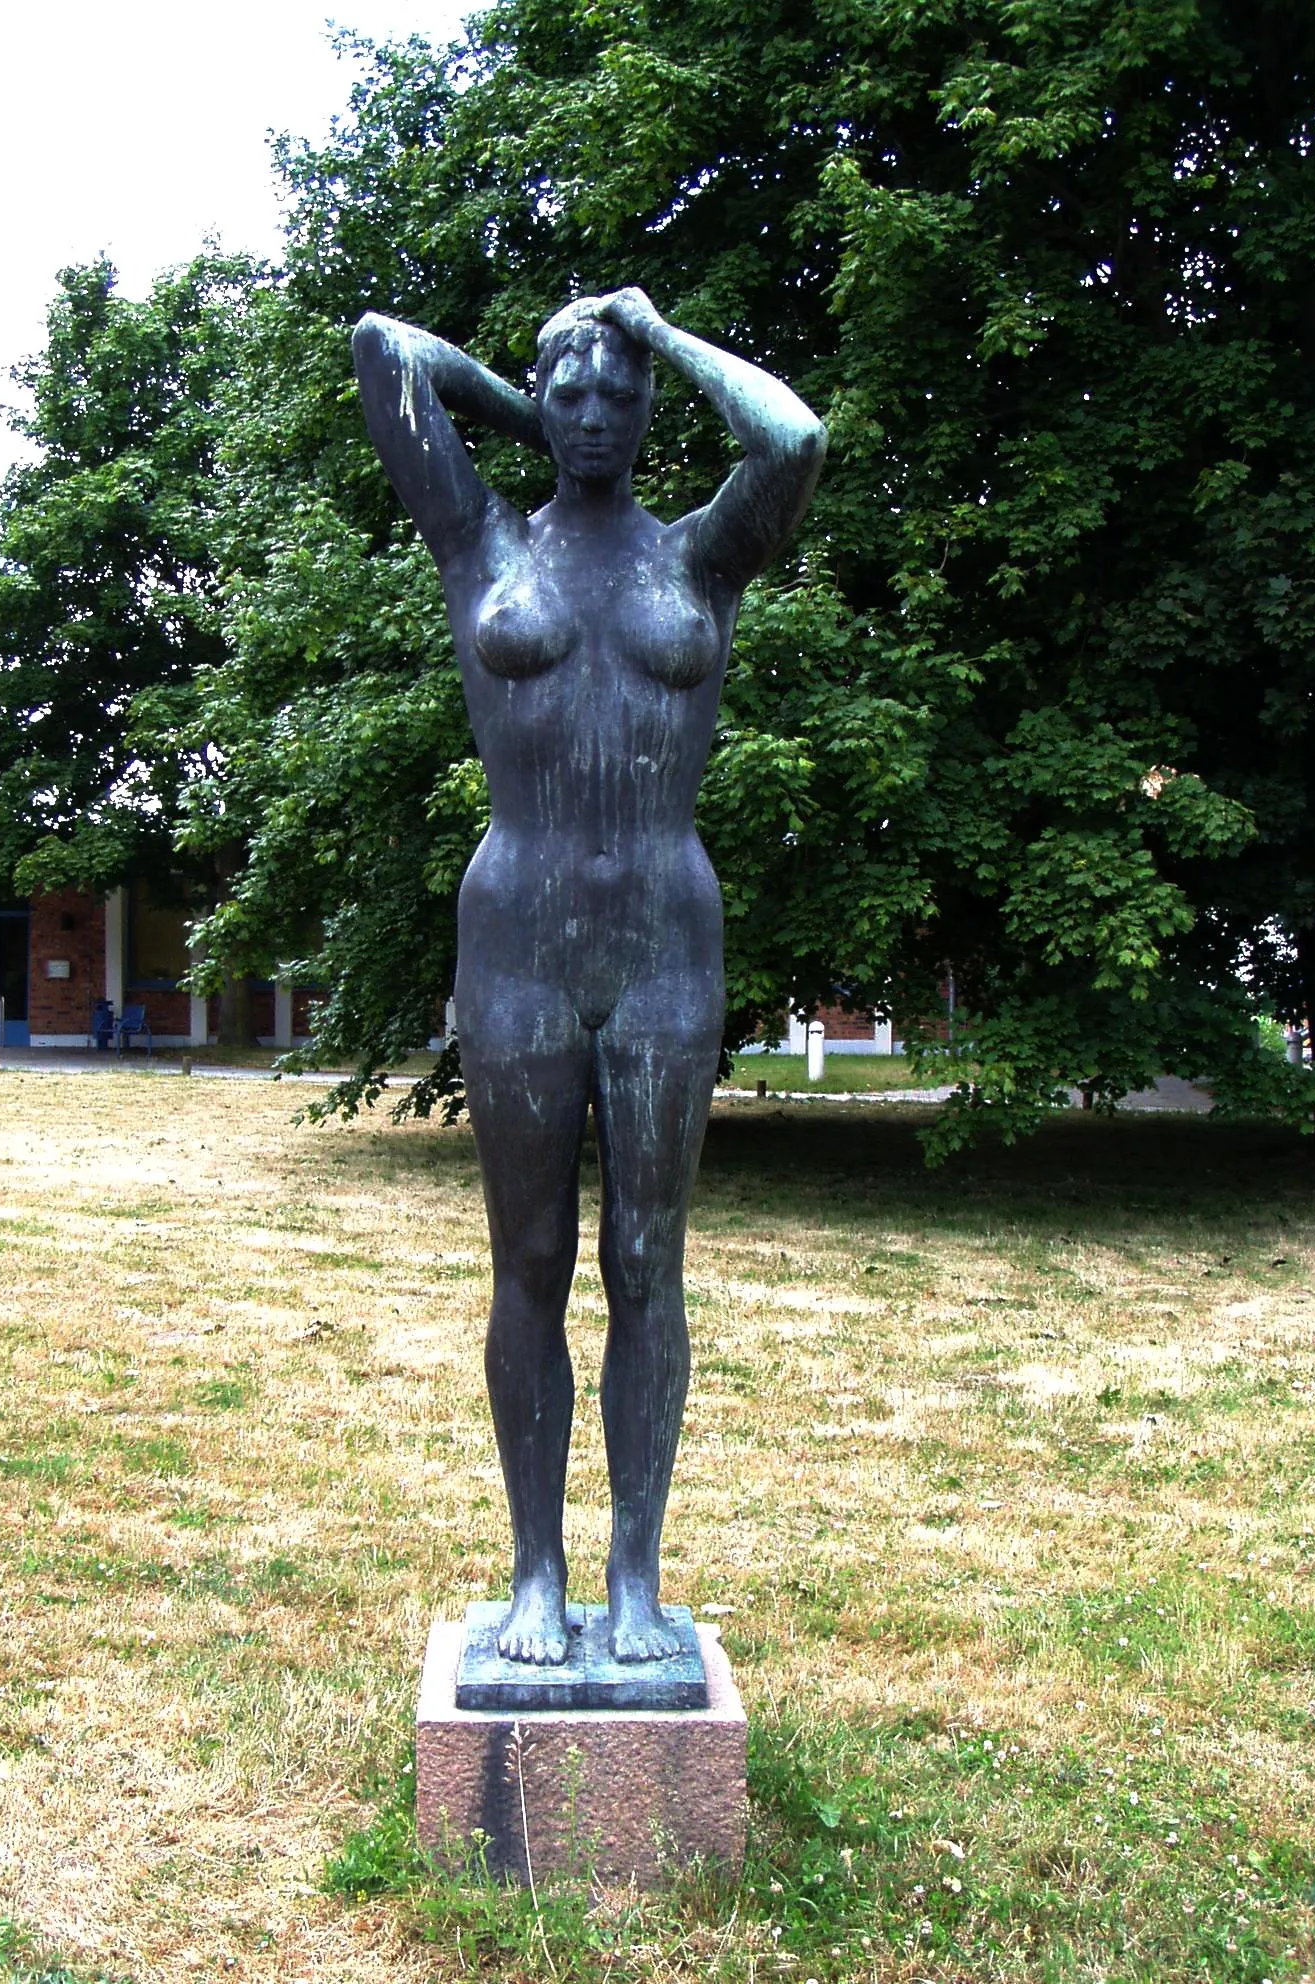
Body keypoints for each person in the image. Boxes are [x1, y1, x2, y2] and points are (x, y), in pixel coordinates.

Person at [353, 288, 824, 1663]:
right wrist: (534, 392)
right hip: (517, 940)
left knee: (646, 1261)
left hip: (667, 940)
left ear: (655, 405)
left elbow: (792, 441)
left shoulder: (700, 559)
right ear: (543, 401)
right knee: (532, 1261)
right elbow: (385, 353)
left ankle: (633, 1580)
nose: (598, 414)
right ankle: (534, 1576)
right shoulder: (480, 539)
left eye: (622, 397)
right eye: (575, 393)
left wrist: (657, 331)